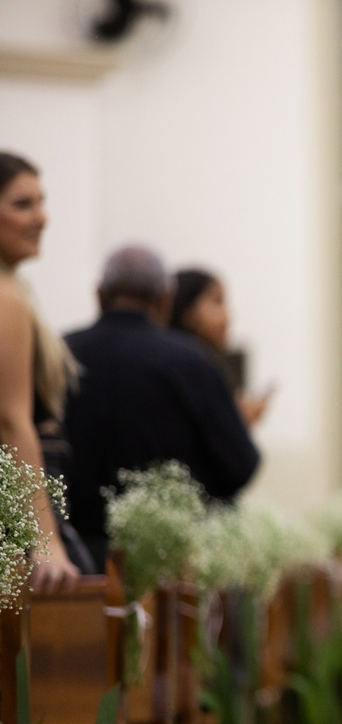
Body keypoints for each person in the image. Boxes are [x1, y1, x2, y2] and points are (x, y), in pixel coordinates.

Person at [63, 246, 261, 569]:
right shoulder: (189, 362)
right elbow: (240, 467)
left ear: (99, 295)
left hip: (74, 563)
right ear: (164, 299)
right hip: (170, 566)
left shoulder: (62, 355)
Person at [0, 152, 83, 588]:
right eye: (22, 204)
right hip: (16, 512)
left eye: (41, 201)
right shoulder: (6, 297)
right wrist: (45, 538)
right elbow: (11, 421)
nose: (41, 217)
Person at [168, 266, 272, 426]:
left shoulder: (207, 369)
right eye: (217, 301)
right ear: (187, 312)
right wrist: (237, 421)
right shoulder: (182, 374)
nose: (228, 316)